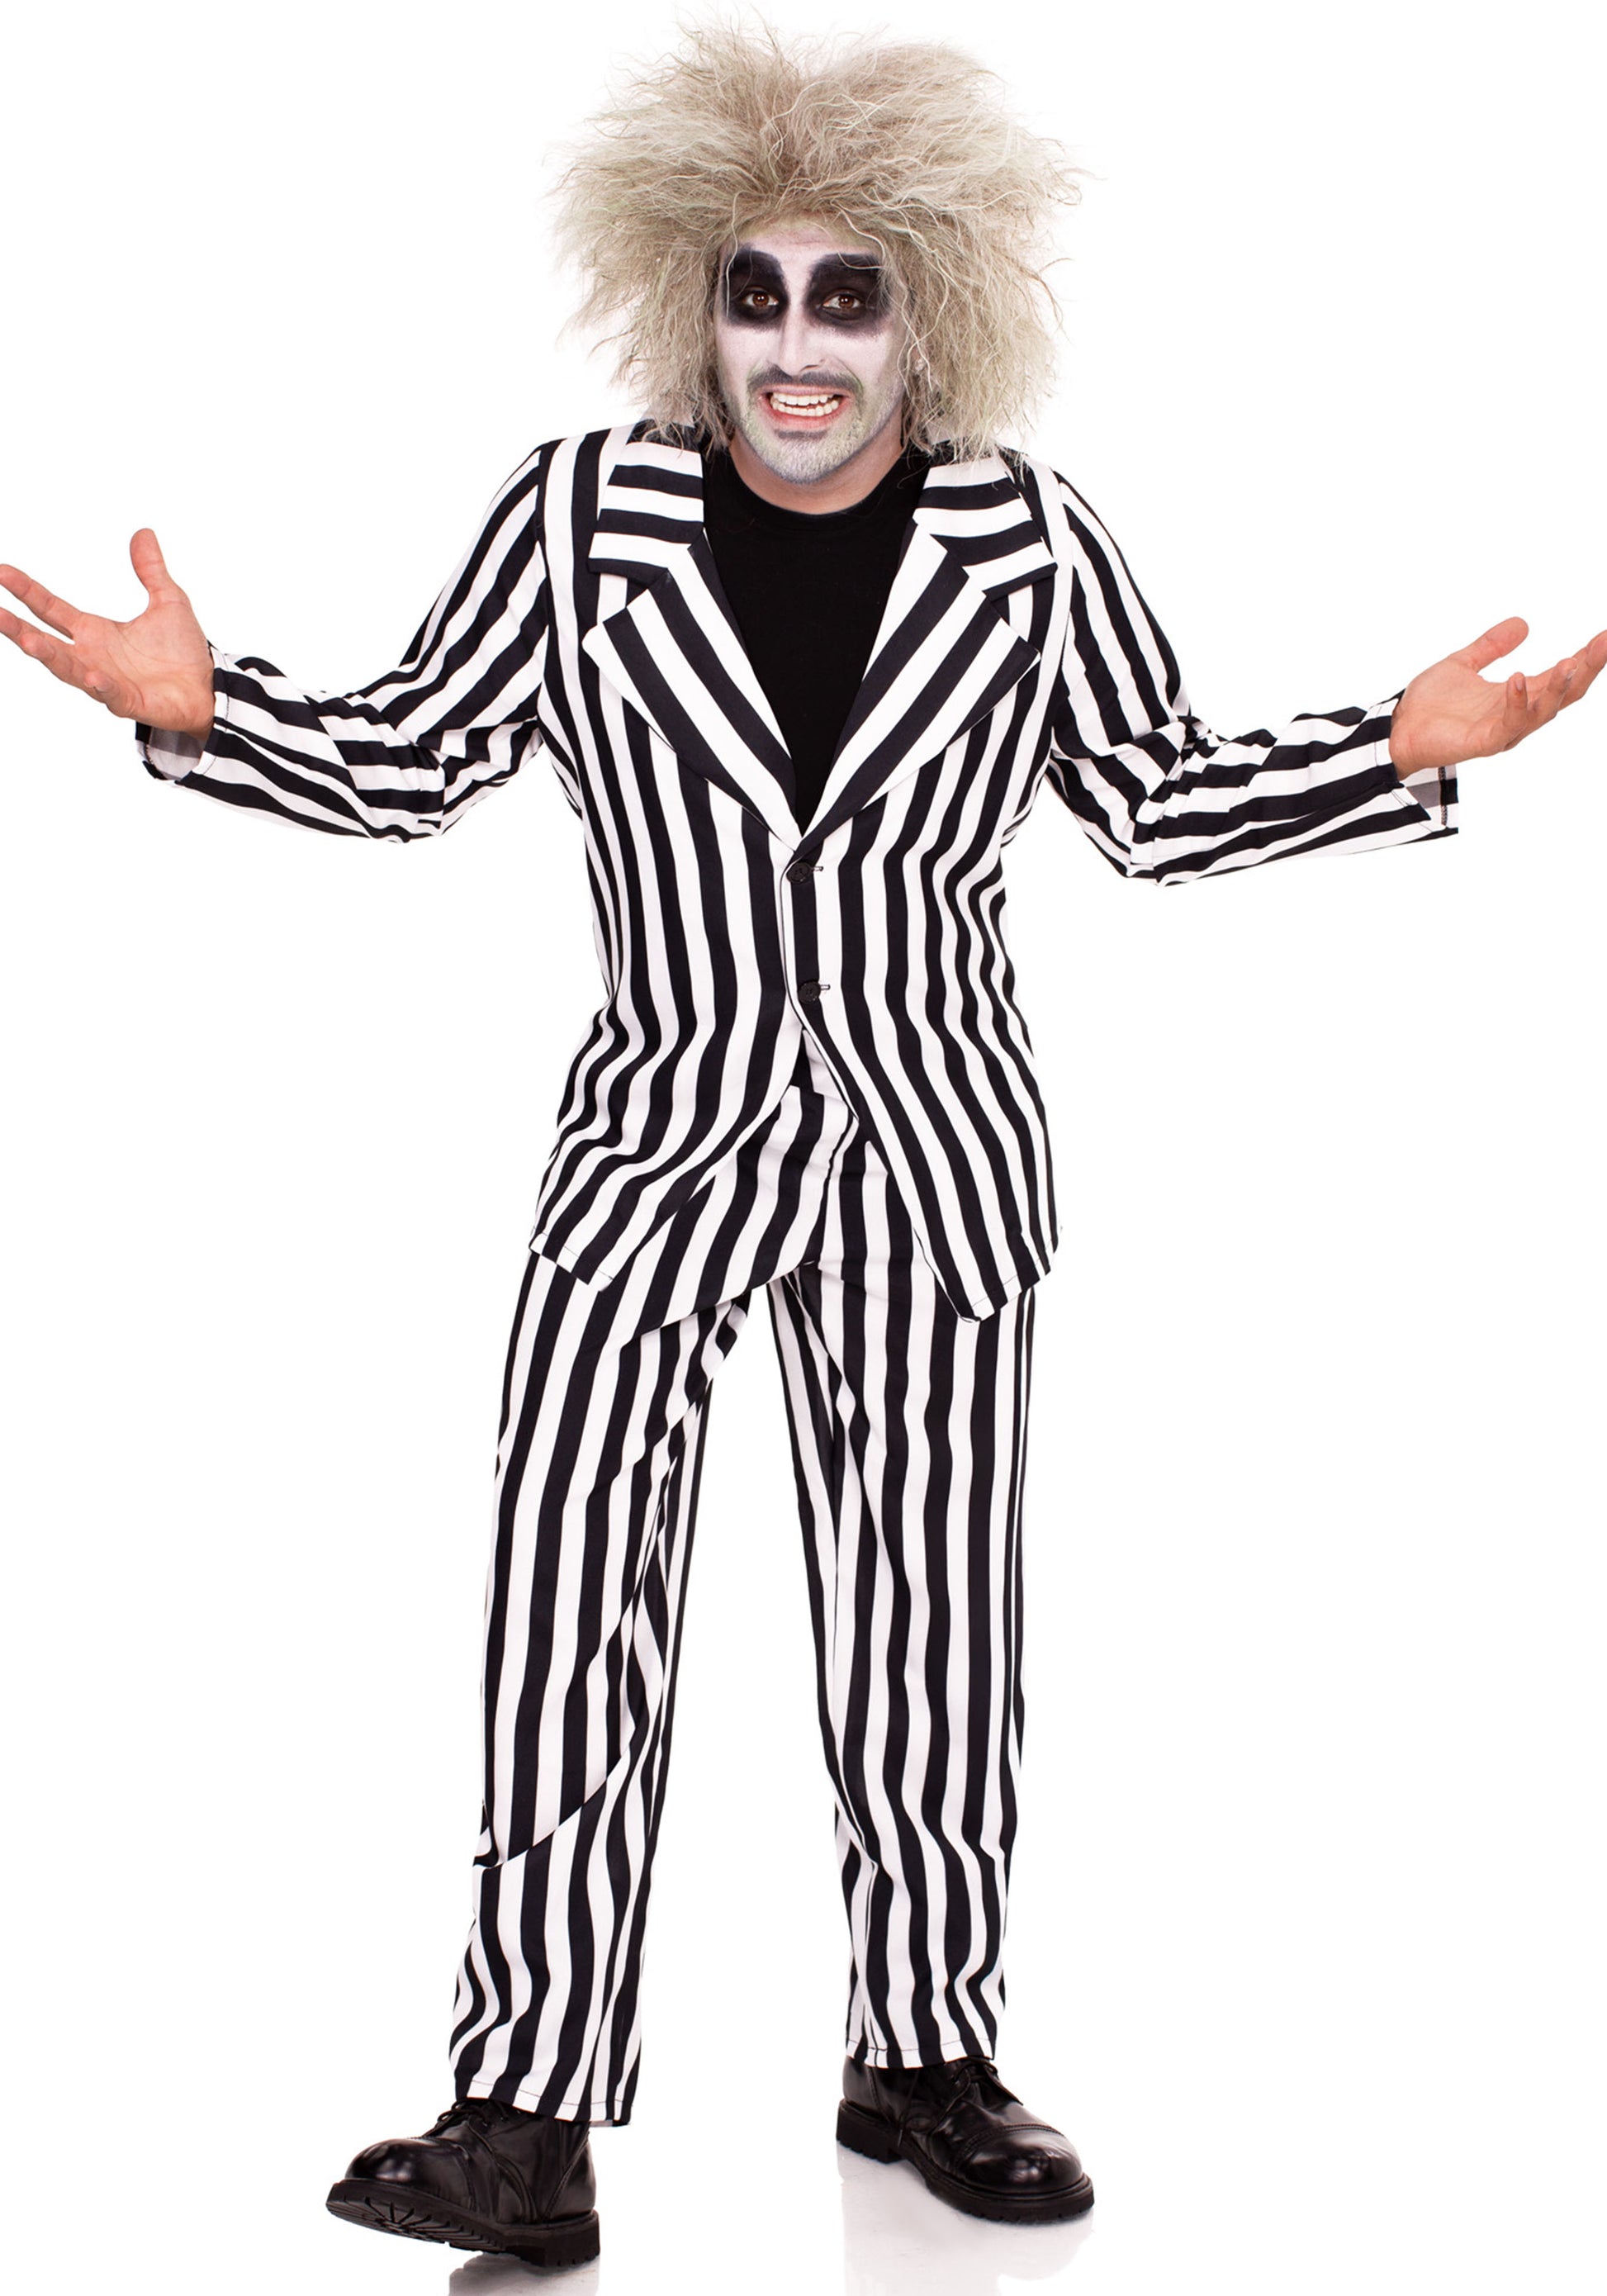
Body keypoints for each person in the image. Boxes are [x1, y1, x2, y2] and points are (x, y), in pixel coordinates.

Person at [2, 20, 1602, 2276]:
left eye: (848, 296)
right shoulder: (583, 517)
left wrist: (1390, 750)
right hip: (650, 1151)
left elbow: (1152, 798)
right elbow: (413, 759)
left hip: (932, 1164)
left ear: (928, 313)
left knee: (933, 1622)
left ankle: (923, 2053)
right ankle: (522, 2112)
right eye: (754, 292)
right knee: (566, 1604)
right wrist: (209, 712)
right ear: (694, 301)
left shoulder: (1026, 540)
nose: (795, 346)